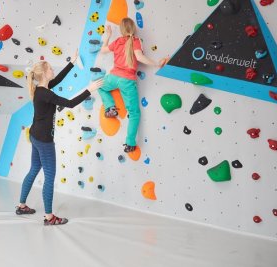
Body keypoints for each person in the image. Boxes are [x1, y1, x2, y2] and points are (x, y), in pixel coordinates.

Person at [16, 51, 103, 225]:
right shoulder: (45, 93)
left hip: (35, 135)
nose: (52, 71)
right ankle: (49, 217)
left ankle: (21, 206)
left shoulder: (42, 89)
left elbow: (59, 79)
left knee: (34, 169)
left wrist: (72, 62)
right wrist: (89, 89)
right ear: (45, 73)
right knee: (49, 176)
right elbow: (69, 104)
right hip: (43, 139)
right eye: (50, 69)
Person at [98, 18, 169, 153]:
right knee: (134, 113)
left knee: (100, 86)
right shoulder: (136, 41)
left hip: (113, 77)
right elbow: (140, 57)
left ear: (121, 30)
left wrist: (107, 34)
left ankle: (110, 108)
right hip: (127, 81)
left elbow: (102, 50)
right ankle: (129, 143)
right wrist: (156, 64)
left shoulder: (118, 41)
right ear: (134, 28)